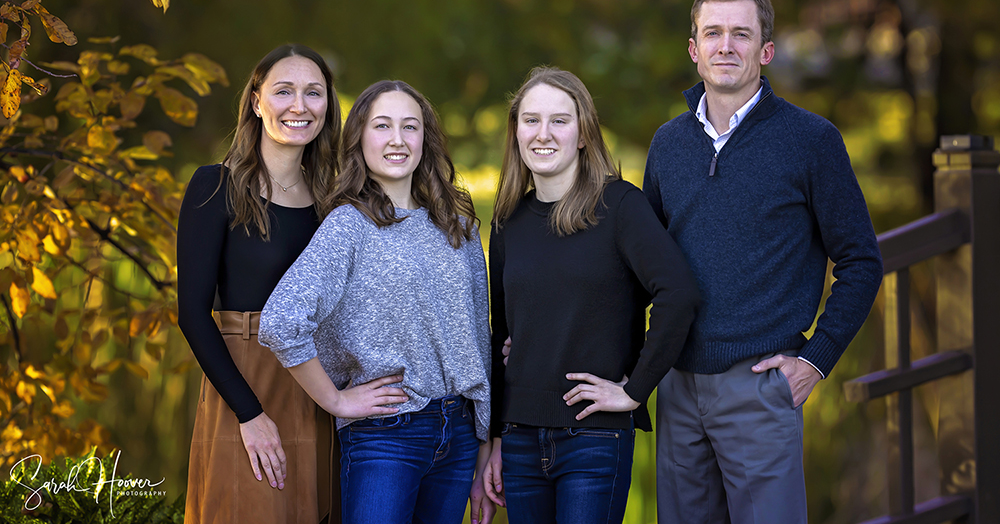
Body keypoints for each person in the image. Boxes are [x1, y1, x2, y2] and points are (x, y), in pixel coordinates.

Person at [643, 0, 884, 523]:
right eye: (713, 34)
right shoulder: (668, 144)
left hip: (759, 386)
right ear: (694, 49)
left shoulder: (811, 141)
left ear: (765, 52)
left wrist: (815, 360)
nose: (726, 46)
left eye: (741, 34)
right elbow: (643, 270)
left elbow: (861, 262)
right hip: (677, 389)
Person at [258, 80, 493, 524]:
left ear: (427, 138)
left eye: (411, 126)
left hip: (459, 436)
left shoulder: (458, 225)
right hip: (387, 436)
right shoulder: (348, 225)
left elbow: (479, 337)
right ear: (360, 138)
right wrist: (336, 401)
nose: (398, 140)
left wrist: (484, 441)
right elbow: (281, 320)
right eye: (382, 126)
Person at [482, 67, 700, 524]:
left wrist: (635, 390)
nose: (543, 134)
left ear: (583, 134)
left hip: (594, 439)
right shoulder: (508, 221)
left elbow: (678, 294)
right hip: (520, 442)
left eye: (560, 120)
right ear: (516, 130)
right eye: (531, 120)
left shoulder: (620, 206)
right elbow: (502, 335)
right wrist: (497, 440)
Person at [178, 44, 361, 524]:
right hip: (243, 384)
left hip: (319, 386)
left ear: (328, 106)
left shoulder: (335, 202)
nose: (299, 106)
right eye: (284, 91)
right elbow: (192, 314)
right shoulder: (215, 186)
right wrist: (249, 415)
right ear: (257, 101)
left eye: (313, 93)